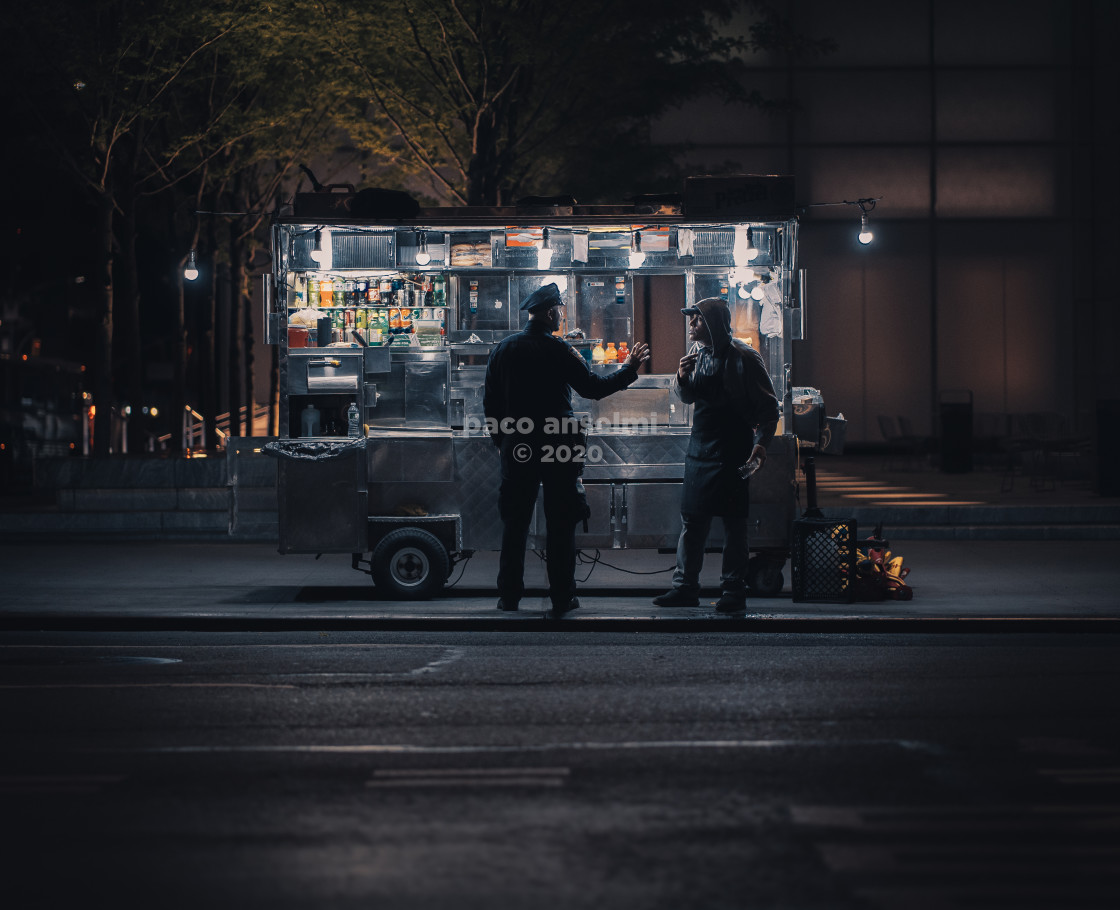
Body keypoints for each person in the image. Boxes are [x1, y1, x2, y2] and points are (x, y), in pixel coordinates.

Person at [483, 282, 650, 618]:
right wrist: (630, 369)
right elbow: (593, 389)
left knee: (515, 523)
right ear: (549, 312)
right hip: (558, 445)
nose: (562, 315)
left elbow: (491, 405)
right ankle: (562, 597)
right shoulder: (558, 349)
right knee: (561, 522)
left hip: (518, 446)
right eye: (560, 309)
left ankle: (509, 597)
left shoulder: (503, 349)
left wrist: (504, 443)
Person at [653, 297, 780, 614]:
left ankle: (734, 591)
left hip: (733, 450)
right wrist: (681, 378)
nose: (691, 325)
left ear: (712, 324)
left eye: (696, 320)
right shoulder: (697, 353)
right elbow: (689, 396)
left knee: (735, 524)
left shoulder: (744, 357)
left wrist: (761, 445)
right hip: (700, 450)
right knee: (692, 521)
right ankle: (685, 588)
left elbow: (769, 409)